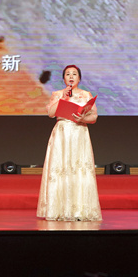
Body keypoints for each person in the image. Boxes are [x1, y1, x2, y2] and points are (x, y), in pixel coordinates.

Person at [37, 64, 101, 221]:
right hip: (62, 133)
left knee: (79, 169)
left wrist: (83, 118)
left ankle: (79, 210)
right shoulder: (57, 94)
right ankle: (58, 209)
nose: (71, 77)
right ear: (64, 78)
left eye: (74, 74)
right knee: (61, 168)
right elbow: (51, 113)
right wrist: (63, 98)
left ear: (79, 78)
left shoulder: (86, 95)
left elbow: (93, 117)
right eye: (67, 74)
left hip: (79, 133)